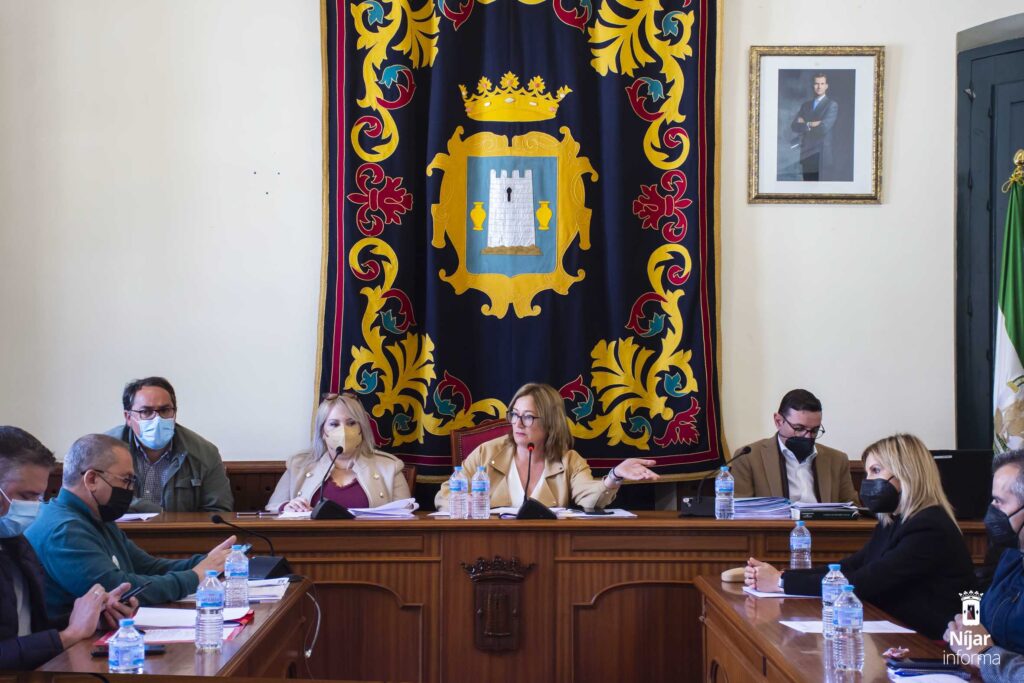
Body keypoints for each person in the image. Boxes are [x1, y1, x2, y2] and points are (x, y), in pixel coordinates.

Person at [744, 433, 974, 639]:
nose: (868, 480)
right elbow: (850, 566)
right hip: (902, 631)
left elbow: (865, 581)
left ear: (906, 474)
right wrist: (782, 575)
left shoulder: (929, 527)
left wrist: (780, 582)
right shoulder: (894, 521)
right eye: (867, 472)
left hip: (934, 642)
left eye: (876, 471)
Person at [26, 434, 235, 620]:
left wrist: (207, 562)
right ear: (92, 479)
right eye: (126, 480)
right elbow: (119, 587)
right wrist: (196, 576)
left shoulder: (97, 517)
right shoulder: (64, 530)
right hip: (69, 645)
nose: (130, 490)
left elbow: (148, 566)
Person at [0, 426, 137, 669]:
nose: (34, 506)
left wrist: (93, 618)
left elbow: (29, 629)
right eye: (26, 496)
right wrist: (70, 634)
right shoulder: (59, 530)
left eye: (39, 497)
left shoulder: (15, 543)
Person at [435, 383, 659, 511]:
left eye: (528, 417)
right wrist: (463, 501)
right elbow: (443, 496)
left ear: (550, 423)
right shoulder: (486, 452)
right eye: (514, 414)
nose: (518, 424)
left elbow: (592, 499)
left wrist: (615, 475)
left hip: (547, 549)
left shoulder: (569, 460)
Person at [943, 449, 1024, 678]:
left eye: (999, 502)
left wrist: (984, 654)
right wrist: (963, 633)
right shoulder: (1012, 557)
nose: (991, 511)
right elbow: (986, 627)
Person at [105, 376, 233, 513]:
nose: (157, 419)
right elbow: (94, 502)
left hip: (181, 528)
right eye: (146, 412)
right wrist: (155, 512)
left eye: (165, 410)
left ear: (174, 413)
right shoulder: (104, 451)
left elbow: (218, 510)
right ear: (128, 417)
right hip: (117, 527)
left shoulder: (206, 453)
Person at [266, 393, 410, 512]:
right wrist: (288, 507)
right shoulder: (299, 465)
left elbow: (406, 514)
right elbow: (272, 508)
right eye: (334, 424)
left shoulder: (390, 467)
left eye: (351, 423)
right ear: (322, 432)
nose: (343, 431)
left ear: (362, 429)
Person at [731, 389, 857, 504]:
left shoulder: (837, 460)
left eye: (814, 430)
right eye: (799, 428)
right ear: (778, 421)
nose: (807, 437)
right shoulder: (748, 457)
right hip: (776, 523)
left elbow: (853, 508)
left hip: (824, 522)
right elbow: (741, 511)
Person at [790, 72, 838, 181]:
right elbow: (794, 126)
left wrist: (805, 123)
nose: (819, 87)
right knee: (807, 187)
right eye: (816, 83)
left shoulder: (832, 105)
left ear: (826, 86)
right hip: (807, 154)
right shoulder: (805, 105)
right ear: (813, 85)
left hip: (822, 155)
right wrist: (811, 124)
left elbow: (823, 129)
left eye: (822, 83)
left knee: (822, 189)